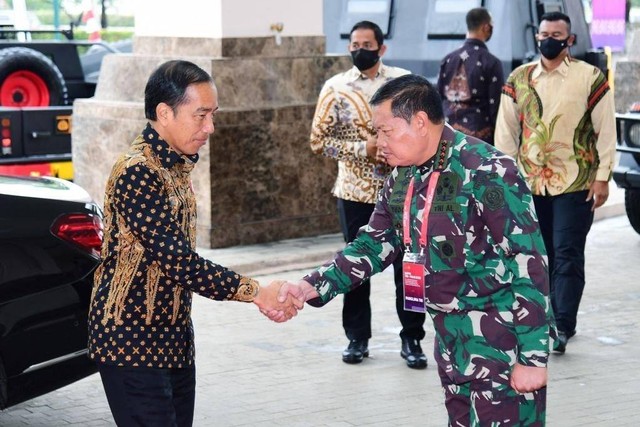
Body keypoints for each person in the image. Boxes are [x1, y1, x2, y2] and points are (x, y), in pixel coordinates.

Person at [280, 74, 554, 425]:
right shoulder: (403, 177)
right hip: (452, 345)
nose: (378, 142)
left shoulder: (487, 170)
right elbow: (373, 242)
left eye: (385, 131)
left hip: (501, 347)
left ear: (420, 122)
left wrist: (532, 358)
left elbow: (528, 263)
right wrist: (312, 286)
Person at [87, 60, 300, 426]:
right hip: (131, 341)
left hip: (173, 339)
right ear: (164, 112)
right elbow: (180, 262)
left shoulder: (176, 164)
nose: (210, 127)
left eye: (212, 115)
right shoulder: (137, 170)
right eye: (200, 116)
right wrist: (257, 291)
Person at [494, 11, 616, 354]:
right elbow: (506, 134)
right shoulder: (519, 78)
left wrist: (603, 177)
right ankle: (542, 320)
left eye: (557, 34)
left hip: (576, 182)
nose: (549, 39)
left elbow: (605, 131)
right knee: (538, 256)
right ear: (538, 37)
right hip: (529, 186)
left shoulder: (590, 77)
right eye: (544, 33)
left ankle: (562, 324)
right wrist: (506, 180)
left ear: (570, 40)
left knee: (566, 255)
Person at [309, 20, 427, 368]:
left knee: (410, 269)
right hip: (354, 192)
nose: (360, 49)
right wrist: (364, 147)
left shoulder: (403, 83)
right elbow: (318, 141)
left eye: (367, 43)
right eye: (354, 43)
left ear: (382, 47)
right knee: (355, 267)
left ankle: (413, 340)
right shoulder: (335, 87)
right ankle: (357, 339)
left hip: (403, 192)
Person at [437, 7, 504, 145]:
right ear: (486, 27)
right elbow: (496, 106)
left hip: (446, 135)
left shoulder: (448, 59)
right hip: (478, 138)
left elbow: (439, 97)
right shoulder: (492, 62)